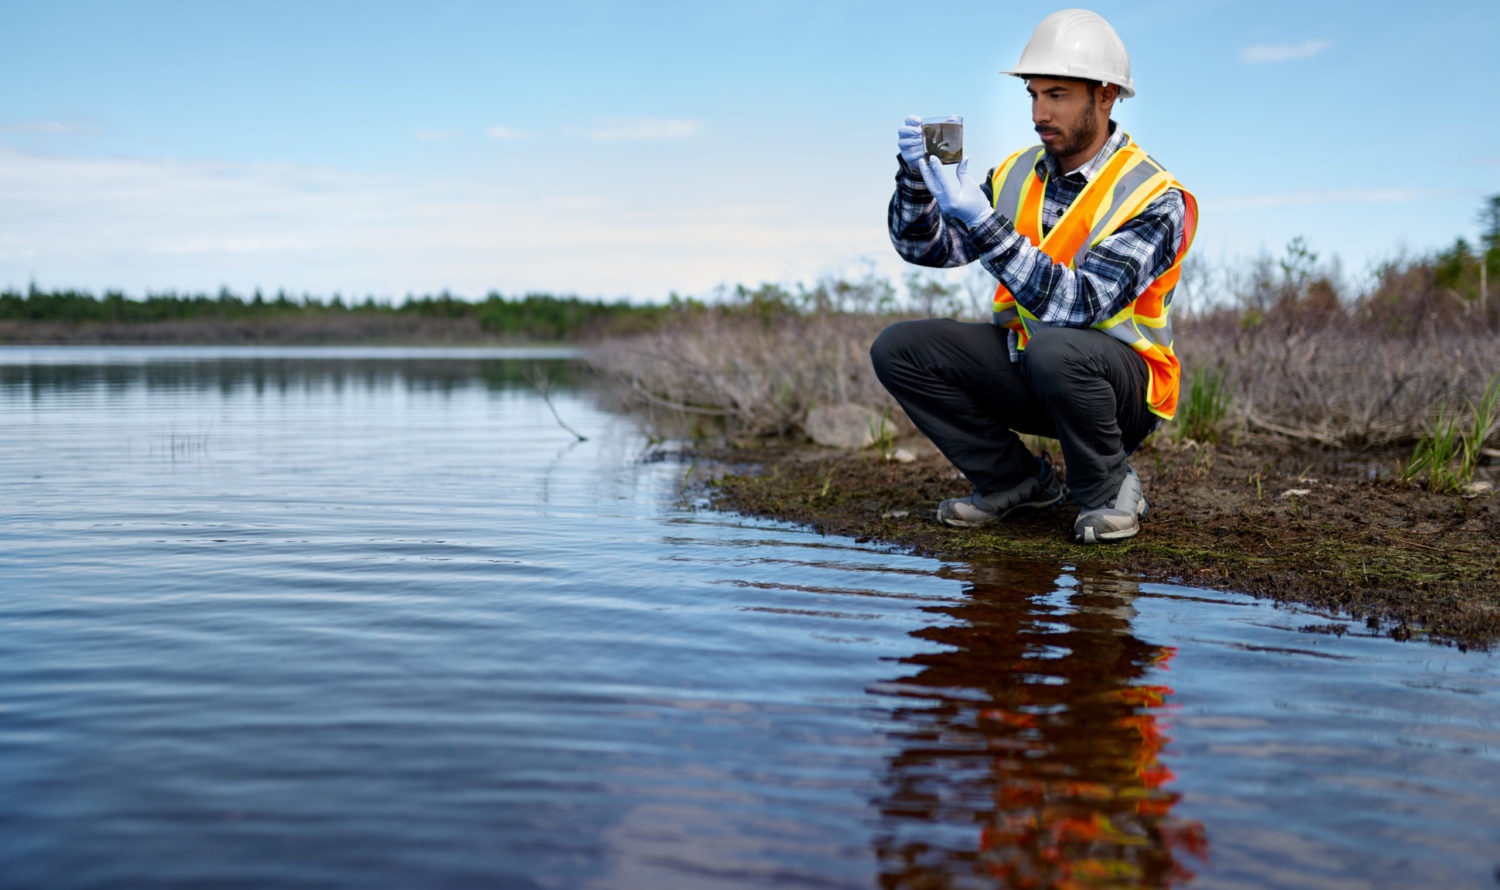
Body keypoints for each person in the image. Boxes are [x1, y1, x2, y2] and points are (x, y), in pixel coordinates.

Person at [870, 8, 1197, 544]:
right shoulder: (1017, 171)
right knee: (899, 348)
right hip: (1031, 366)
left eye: (1058, 94)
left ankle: (1108, 490)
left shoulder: (1156, 197)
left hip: (1119, 391)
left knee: (1058, 347)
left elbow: (1082, 304)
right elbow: (925, 248)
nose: (1039, 112)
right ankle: (1015, 482)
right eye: (1033, 94)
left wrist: (980, 218)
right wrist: (917, 182)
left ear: (1106, 94)